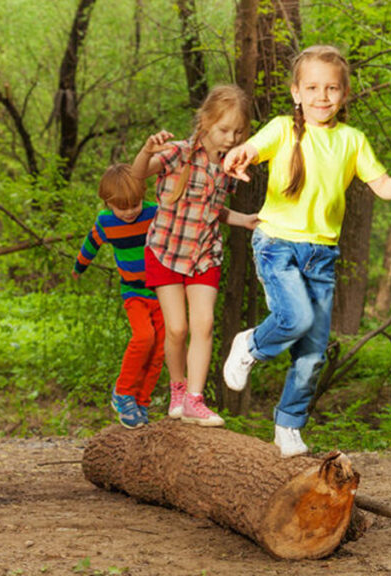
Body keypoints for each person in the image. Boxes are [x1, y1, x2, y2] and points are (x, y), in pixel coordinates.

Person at [221, 44, 391, 457]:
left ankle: (288, 426)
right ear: (296, 92)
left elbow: (381, 186)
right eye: (312, 87)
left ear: (344, 95)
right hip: (277, 243)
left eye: (332, 88)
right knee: (294, 317)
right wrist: (240, 154)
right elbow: (253, 149)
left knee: (312, 352)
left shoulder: (352, 140)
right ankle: (250, 345)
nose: (322, 97)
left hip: (322, 254)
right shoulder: (282, 129)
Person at [131, 84, 259, 427]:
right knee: (177, 328)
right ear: (204, 123)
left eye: (238, 131)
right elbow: (137, 174)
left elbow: (213, 209)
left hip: (205, 254)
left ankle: (194, 400)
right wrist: (146, 151)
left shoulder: (230, 166)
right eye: (223, 130)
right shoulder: (178, 154)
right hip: (166, 251)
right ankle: (177, 388)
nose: (231, 138)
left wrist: (242, 219)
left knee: (204, 324)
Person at [72, 164, 163, 429]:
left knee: (160, 349)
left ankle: (141, 402)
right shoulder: (106, 221)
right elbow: (91, 243)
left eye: (135, 204)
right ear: (108, 202)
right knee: (143, 337)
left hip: (160, 291)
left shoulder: (153, 213)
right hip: (133, 292)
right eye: (122, 207)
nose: (130, 211)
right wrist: (79, 266)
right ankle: (123, 393)